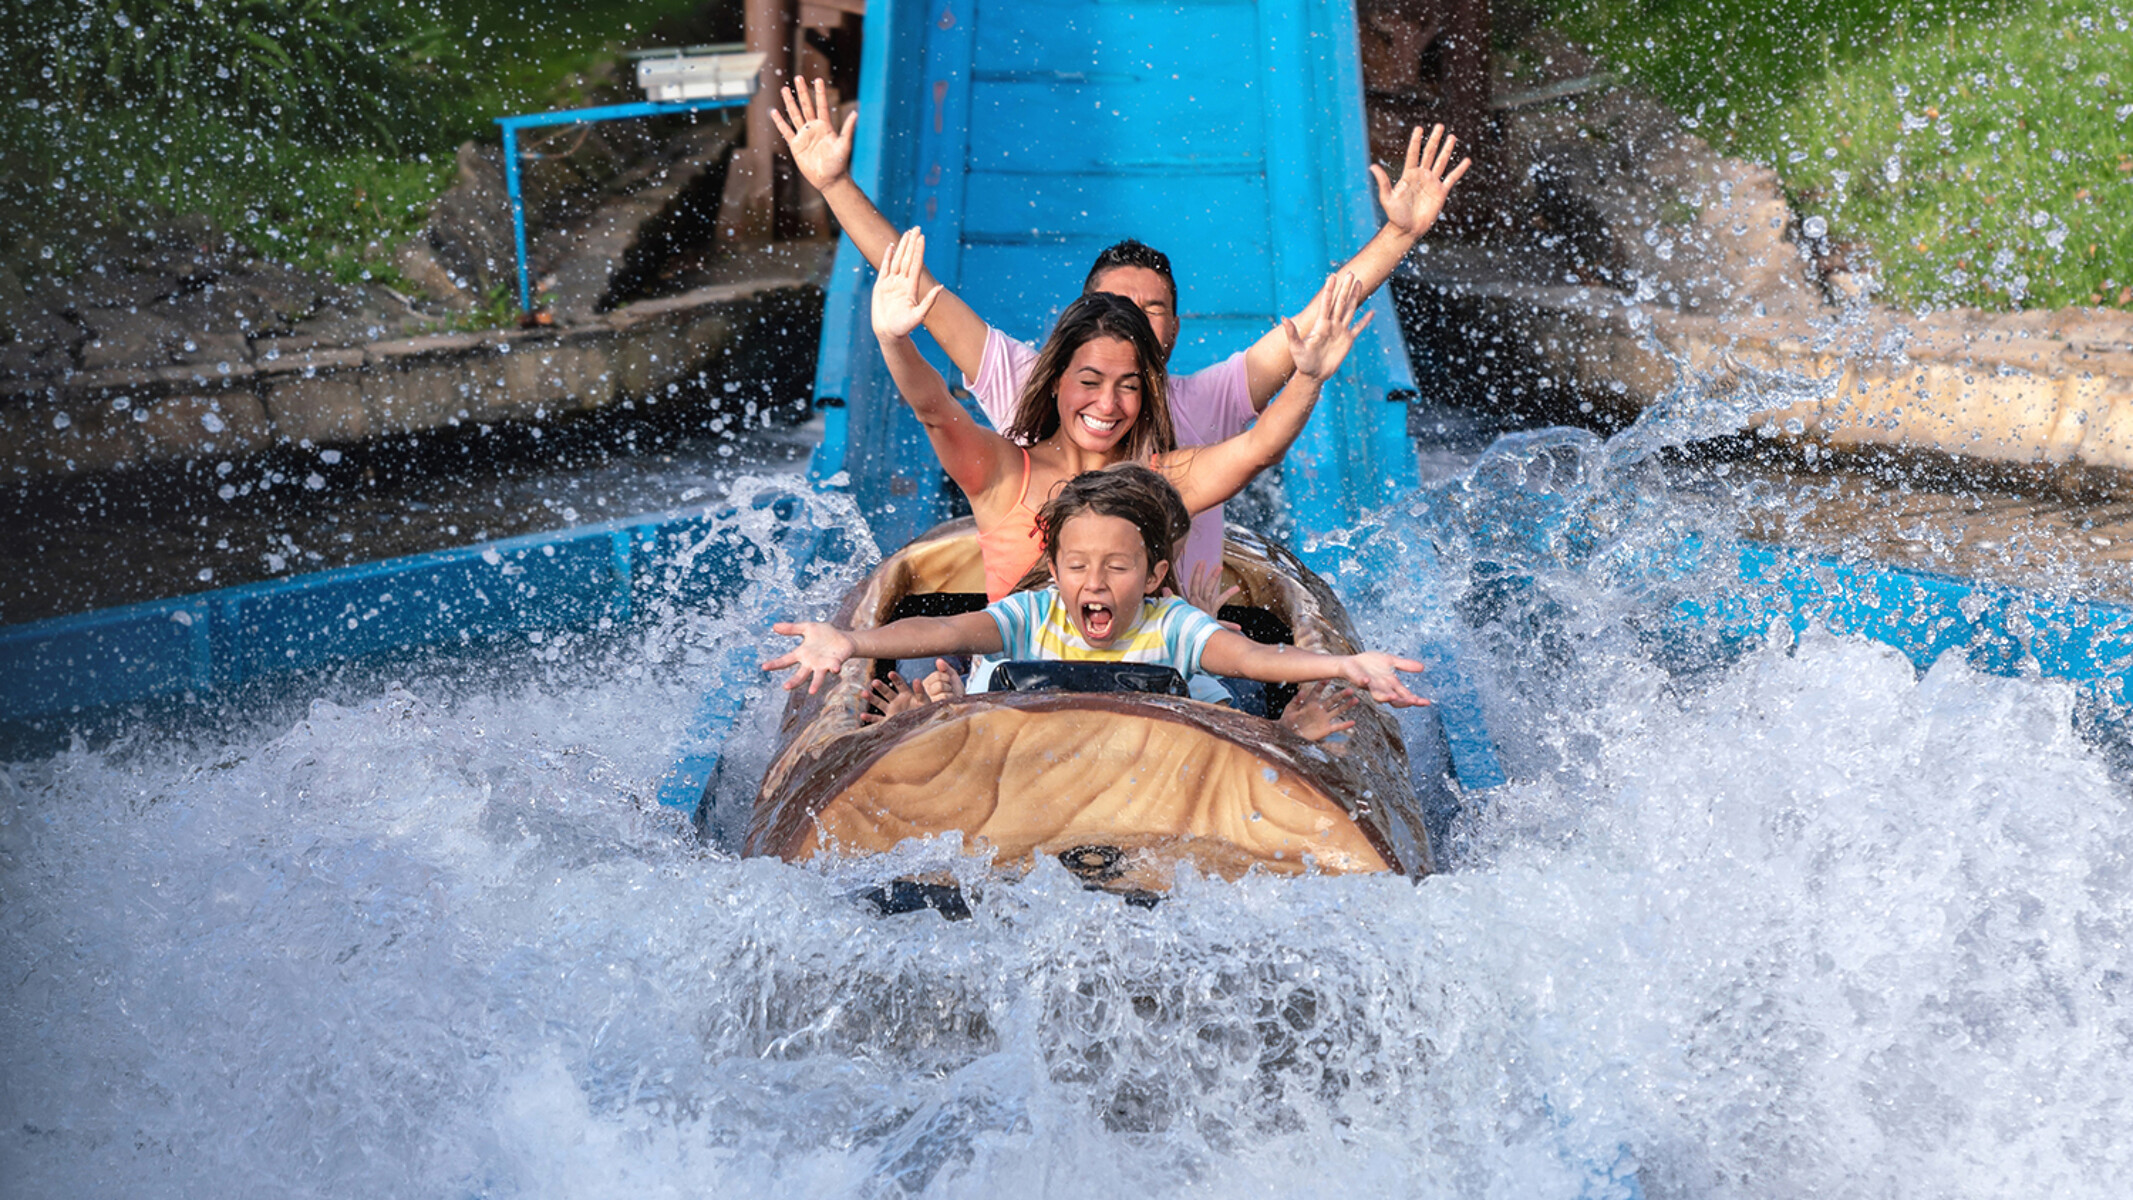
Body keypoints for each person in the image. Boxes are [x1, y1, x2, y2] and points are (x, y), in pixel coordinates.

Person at [774, 78, 1471, 587]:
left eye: (1152, 308)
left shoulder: (1198, 419)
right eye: (1115, 305)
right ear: (1081, 327)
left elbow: (1308, 343)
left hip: (1174, 644)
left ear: (1175, 328)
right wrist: (834, 187)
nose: (1132, 319)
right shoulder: (1016, 416)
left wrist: (1398, 235)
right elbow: (915, 298)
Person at [869, 226, 1370, 602]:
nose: (1107, 405)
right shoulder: (1004, 472)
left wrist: (1308, 378)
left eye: (1128, 387)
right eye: (1089, 383)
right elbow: (934, 409)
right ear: (1056, 377)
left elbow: (1259, 450)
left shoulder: (1163, 481)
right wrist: (893, 339)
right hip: (1020, 698)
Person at [764, 464, 1430, 722]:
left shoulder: (1170, 627)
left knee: (1236, 706)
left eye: (1117, 567)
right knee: (948, 696)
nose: (1094, 582)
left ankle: (1280, 733)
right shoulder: (1033, 614)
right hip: (1020, 758)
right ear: (1053, 573)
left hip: (1136, 770)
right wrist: (849, 640)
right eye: (1077, 565)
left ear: (1153, 578)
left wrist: (1345, 665)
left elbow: (1259, 661)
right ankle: (928, 715)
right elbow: (939, 634)